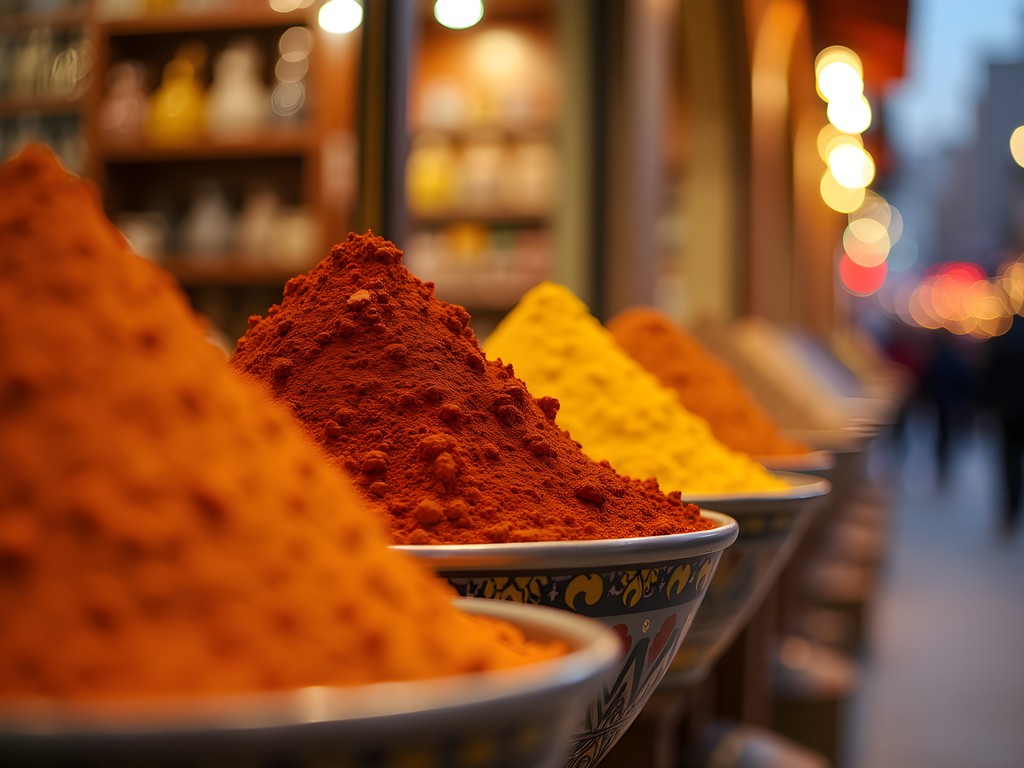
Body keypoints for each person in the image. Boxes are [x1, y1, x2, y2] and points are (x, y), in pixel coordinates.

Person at [983, 318, 1024, 535]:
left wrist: (986, 406)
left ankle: (1010, 510)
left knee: (1009, 459)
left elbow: (989, 375)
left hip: (1008, 411)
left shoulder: (1002, 340)